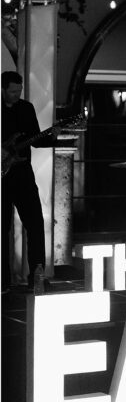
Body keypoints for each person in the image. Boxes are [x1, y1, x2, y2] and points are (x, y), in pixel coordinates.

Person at [1, 71, 48, 292]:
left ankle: (37, 275)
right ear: (2, 89)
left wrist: (53, 135)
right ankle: (3, 281)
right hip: (2, 177)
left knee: (36, 224)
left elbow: (35, 139)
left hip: (22, 173)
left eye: (19, 91)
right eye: (12, 91)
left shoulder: (26, 108)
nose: (16, 95)